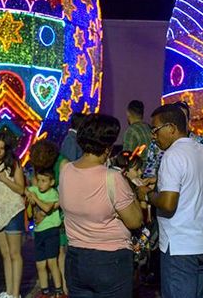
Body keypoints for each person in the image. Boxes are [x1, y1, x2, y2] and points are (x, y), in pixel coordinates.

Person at [59, 114, 143, 297]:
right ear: (107, 147)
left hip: (75, 258)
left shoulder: (66, 171)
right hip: (110, 260)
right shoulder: (112, 178)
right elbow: (135, 221)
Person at [136, 104, 203, 298]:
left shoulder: (172, 155)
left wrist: (146, 195)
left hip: (180, 246)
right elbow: (191, 184)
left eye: (155, 130)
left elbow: (169, 203)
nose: (153, 136)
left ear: (171, 128)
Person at [0, 129, 26, 298]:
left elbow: (21, 188)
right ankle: (8, 291)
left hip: (13, 210)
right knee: (4, 254)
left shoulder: (14, 164)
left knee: (14, 253)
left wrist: (4, 179)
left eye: (1, 148)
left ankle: (15, 292)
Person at [26, 168, 64, 297]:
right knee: (40, 264)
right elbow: (26, 191)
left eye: (44, 181)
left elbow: (47, 208)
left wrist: (35, 199)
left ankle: (59, 290)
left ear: (52, 182)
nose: (40, 184)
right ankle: (45, 291)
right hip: (38, 232)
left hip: (51, 231)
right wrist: (29, 198)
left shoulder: (53, 193)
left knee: (52, 262)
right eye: (39, 180)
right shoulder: (35, 190)